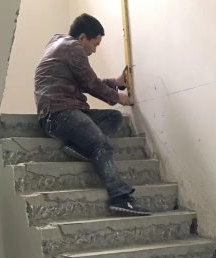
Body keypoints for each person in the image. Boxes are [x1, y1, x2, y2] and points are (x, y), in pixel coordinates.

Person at [34, 13, 149, 216]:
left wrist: (115, 83)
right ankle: (120, 197)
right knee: (102, 145)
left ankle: (79, 146)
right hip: (60, 114)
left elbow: (85, 82)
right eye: (95, 44)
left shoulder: (60, 45)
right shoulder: (73, 48)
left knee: (114, 117)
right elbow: (91, 84)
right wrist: (118, 97)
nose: (94, 50)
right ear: (82, 38)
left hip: (59, 112)